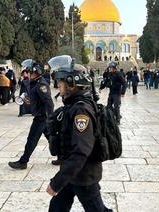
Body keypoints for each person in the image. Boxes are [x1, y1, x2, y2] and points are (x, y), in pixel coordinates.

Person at [46, 55, 112, 212]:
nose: (58, 85)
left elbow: (81, 150)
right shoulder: (73, 105)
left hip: (84, 175)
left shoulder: (80, 110)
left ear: (71, 83)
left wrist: (57, 181)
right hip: (72, 172)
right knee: (56, 208)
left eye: (60, 81)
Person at [8, 59, 55, 169]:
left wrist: (50, 118)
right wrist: (30, 101)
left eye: (28, 72)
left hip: (42, 117)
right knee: (51, 138)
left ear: (35, 72)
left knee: (31, 139)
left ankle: (23, 161)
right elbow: (39, 100)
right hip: (42, 116)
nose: (27, 74)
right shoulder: (36, 83)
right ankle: (63, 157)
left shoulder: (41, 85)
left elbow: (49, 103)